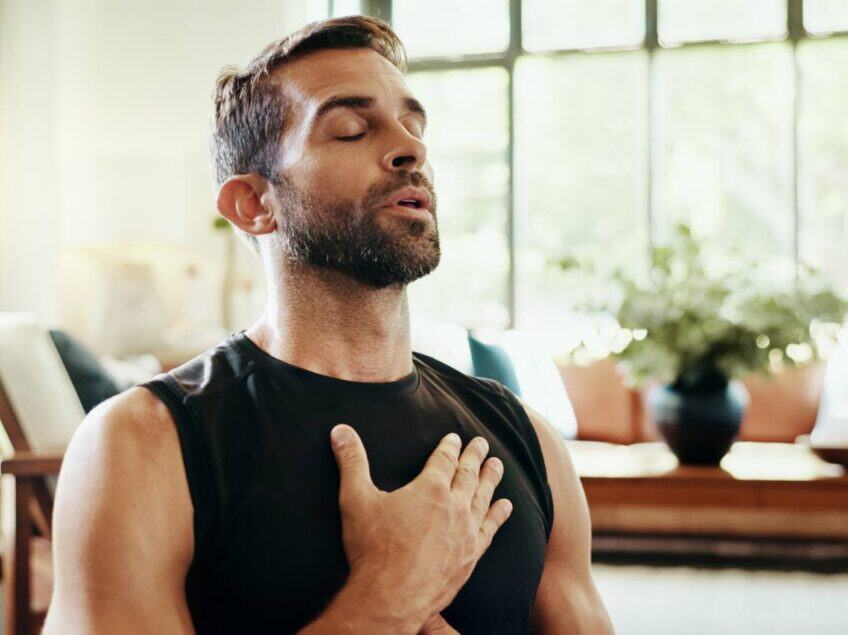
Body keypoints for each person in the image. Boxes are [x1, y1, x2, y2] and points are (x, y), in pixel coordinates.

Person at [45, 15, 613, 634]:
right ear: (255, 204)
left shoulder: (525, 436)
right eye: (350, 130)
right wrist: (385, 597)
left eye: (413, 125)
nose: (411, 148)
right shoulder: (140, 445)